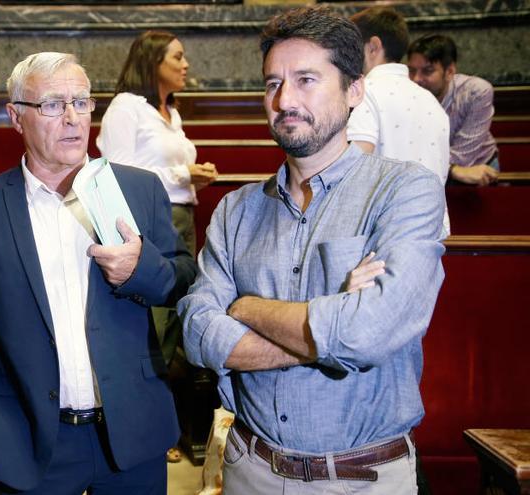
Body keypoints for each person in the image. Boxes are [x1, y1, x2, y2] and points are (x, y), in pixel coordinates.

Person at [179, 6, 446, 494]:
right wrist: (329, 334)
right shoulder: (236, 210)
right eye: (272, 83)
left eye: (306, 80)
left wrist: (246, 307)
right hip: (248, 470)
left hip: (360, 479)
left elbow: (368, 332)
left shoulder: (404, 192)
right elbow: (198, 332)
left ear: (354, 91)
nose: (284, 100)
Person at [0, 51, 197, 494]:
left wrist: (140, 270)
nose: (74, 118)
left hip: (132, 435)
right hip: (27, 440)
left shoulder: (137, 189)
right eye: (54, 105)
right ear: (17, 117)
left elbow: (184, 279)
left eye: (82, 102)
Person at [96, 29, 218, 464]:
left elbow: (168, 168)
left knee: (179, 319)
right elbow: (118, 171)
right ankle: (138, 419)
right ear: (152, 63)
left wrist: (192, 176)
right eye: (178, 57)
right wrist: (185, 175)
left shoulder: (168, 111)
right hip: (145, 223)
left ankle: (171, 421)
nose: (186, 65)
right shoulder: (126, 108)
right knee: (154, 324)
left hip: (183, 217)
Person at [347, 6, 450, 235]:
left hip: (384, 231)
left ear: (373, 46)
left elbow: (353, 168)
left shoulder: (366, 92)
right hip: (430, 229)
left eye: (352, 48)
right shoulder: (431, 101)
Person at [407, 34, 499, 186]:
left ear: (449, 72)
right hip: (432, 173)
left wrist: (419, 164)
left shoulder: (476, 92)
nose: (416, 79)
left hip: (477, 169)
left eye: (427, 71)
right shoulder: (404, 93)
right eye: (411, 71)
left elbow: (464, 157)